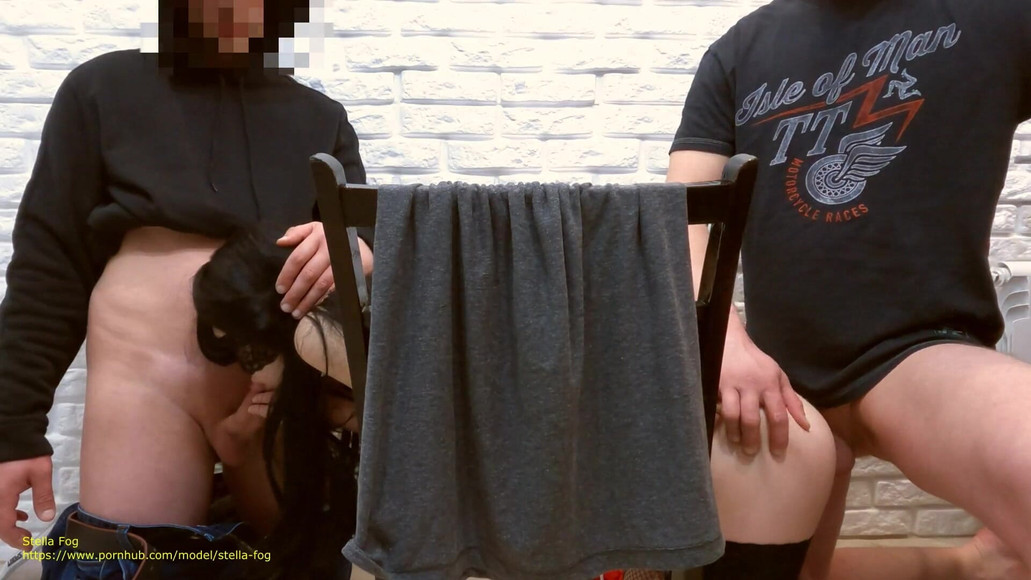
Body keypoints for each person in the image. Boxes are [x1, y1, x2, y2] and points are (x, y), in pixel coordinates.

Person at [0, 0, 369, 577]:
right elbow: (51, 265)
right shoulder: (103, 88)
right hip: (147, 382)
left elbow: (362, 245)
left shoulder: (322, 118)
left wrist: (354, 247)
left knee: (295, 558)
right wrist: (14, 429)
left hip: (272, 387)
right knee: (130, 561)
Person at [668, 0, 1031, 578]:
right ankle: (970, 566)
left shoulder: (997, 15)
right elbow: (680, 216)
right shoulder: (739, 49)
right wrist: (728, 344)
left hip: (920, 356)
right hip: (778, 379)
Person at [192, 224, 362, 578]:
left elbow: (415, 424)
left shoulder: (314, 338)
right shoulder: (312, 365)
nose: (250, 373)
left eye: (249, 350)